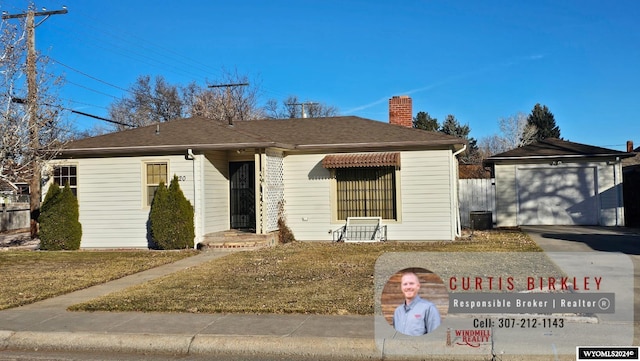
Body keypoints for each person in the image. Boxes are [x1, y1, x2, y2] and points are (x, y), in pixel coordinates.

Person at [392, 272, 441, 336]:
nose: (408, 287)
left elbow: (435, 337)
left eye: (411, 283)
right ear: (401, 287)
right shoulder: (397, 312)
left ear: (418, 286)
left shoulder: (429, 308)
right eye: (405, 284)